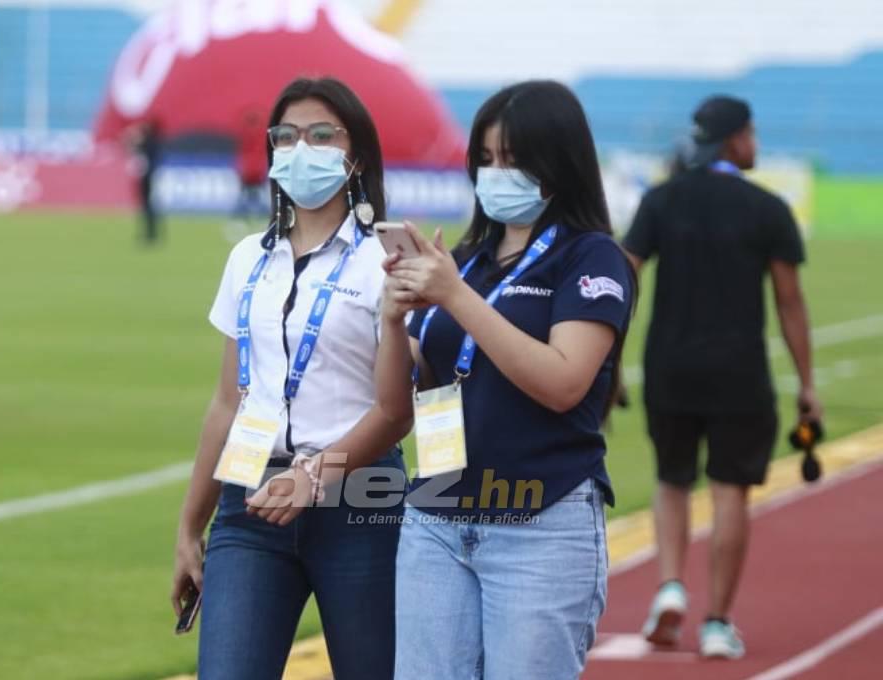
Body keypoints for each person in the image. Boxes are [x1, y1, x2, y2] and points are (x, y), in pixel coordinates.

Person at [379, 80, 635, 680]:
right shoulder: (464, 258)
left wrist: (456, 297)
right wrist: (390, 320)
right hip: (438, 517)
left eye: (514, 161)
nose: (496, 174)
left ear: (558, 163)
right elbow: (396, 401)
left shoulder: (591, 257)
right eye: (486, 160)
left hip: (540, 523)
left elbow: (564, 381)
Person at [170, 77, 411, 680]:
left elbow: (396, 409)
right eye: (287, 135)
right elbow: (227, 402)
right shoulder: (247, 258)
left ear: (355, 155)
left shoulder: (386, 261)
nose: (302, 148)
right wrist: (189, 526)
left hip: (358, 503)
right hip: (250, 504)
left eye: (322, 135)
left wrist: (316, 475)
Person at [623, 95, 822, 659]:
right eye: (751, 134)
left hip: (670, 366)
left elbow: (623, 279)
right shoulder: (766, 207)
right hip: (739, 372)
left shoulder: (660, 200)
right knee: (730, 490)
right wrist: (807, 385)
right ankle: (716, 622)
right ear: (733, 140)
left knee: (672, 479)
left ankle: (668, 587)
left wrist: (609, 362)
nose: (754, 144)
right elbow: (790, 303)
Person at [126, 120, 163, 245]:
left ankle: (150, 234)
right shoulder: (155, 143)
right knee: (148, 206)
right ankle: (151, 233)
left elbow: (132, 146)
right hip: (150, 176)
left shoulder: (148, 143)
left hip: (147, 177)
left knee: (147, 206)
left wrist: (134, 139)